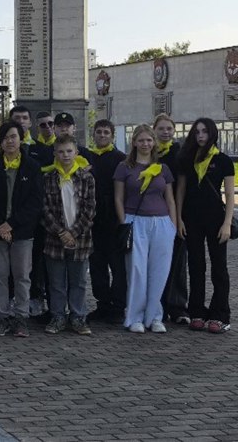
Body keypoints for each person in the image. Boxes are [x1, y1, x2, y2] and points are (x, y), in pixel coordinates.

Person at [0, 121, 44, 338]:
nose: (10, 141)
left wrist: (12, 224)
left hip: (22, 231)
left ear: (21, 139)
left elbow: (35, 202)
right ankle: (2, 316)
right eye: (6, 138)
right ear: (0, 142)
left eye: (13, 137)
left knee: (22, 275)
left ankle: (21, 317)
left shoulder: (32, 167)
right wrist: (0, 226)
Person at [113, 124, 177, 334]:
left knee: (160, 271)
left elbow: (170, 199)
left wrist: (173, 226)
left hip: (161, 222)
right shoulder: (124, 167)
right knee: (137, 271)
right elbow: (118, 198)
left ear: (154, 142)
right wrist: (124, 222)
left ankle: (155, 316)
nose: (145, 144)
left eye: (149, 140)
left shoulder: (162, 168)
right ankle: (134, 317)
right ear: (134, 142)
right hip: (135, 221)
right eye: (141, 140)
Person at [176, 118, 235, 334]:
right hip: (191, 220)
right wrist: (179, 219)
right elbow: (180, 191)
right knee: (196, 266)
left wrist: (227, 223)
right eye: (197, 132)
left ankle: (221, 314)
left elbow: (230, 195)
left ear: (212, 134)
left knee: (219, 268)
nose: (201, 136)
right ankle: (197, 312)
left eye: (205, 131)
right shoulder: (186, 159)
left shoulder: (223, 160)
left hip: (215, 219)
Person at [42, 136, 95, 335]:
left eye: (69, 151)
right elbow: (44, 209)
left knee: (79, 282)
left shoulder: (86, 178)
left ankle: (78, 317)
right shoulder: (48, 178)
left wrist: (73, 232)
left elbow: (90, 210)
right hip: (54, 239)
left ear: (76, 153)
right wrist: (61, 232)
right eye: (61, 151)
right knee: (56, 283)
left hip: (81, 239)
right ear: (55, 154)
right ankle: (58, 316)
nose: (65, 155)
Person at [87, 119, 127, 322]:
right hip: (93, 220)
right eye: (99, 132)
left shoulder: (121, 159)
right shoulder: (87, 157)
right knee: (97, 265)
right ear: (93, 134)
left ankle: (118, 307)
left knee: (118, 266)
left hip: (114, 218)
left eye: (106, 132)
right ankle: (102, 304)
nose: (102, 135)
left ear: (112, 136)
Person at [154, 113, 188, 325]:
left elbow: (182, 188)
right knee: (156, 262)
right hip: (153, 214)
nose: (165, 132)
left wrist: (179, 217)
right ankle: (158, 305)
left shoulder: (179, 154)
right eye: (161, 128)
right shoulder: (150, 153)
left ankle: (178, 307)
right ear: (154, 130)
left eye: (169, 129)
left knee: (177, 261)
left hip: (176, 213)